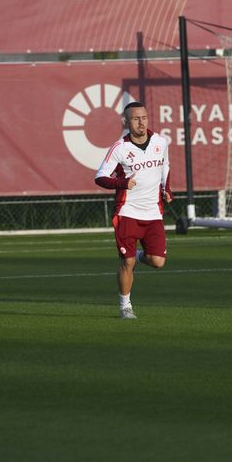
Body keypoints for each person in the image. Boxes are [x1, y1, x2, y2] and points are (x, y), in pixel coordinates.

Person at [95, 102, 172, 320]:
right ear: (126, 122)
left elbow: (165, 167)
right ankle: (125, 306)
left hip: (153, 213)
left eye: (144, 117)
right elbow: (100, 177)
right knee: (127, 263)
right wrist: (121, 183)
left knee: (158, 261)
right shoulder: (120, 148)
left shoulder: (160, 142)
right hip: (127, 211)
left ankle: (134, 254)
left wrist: (167, 190)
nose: (141, 122)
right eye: (136, 119)